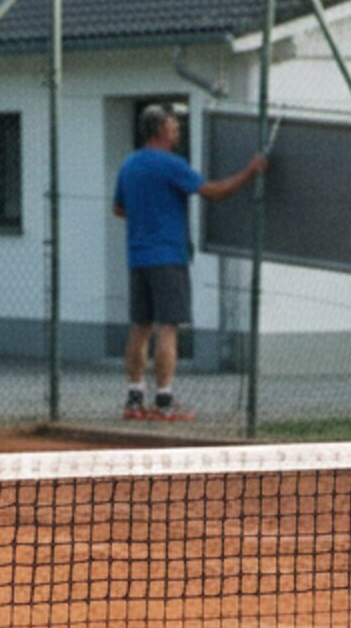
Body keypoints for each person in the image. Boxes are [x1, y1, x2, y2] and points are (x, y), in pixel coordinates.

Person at [111, 105, 265, 421]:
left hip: (138, 257)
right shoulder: (172, 165)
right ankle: (165, 402)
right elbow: (214, 192)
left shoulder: (129, 165)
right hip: (168, 257)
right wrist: (250, 172)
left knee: (139, 327)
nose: (177, 132)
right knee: (168, 328)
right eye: (173, 127)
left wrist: (146, 218)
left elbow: (119, 209)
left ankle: (134, 399)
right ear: (159, 132)